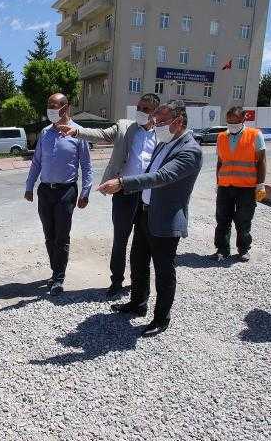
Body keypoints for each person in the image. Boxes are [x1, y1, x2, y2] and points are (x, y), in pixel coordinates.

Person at [96, 102, 203, 336]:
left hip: (165, 219)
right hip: (145, 212)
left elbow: (161, 176)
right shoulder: (164, 142)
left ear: (179, 120)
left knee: (164, 271)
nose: (156, 125)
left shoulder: (189, 150)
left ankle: (161, 318)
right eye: (156, 120)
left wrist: (123, 183)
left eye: (162, 121)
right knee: (138, 261)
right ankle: (137, 303)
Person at [60, 93, 161, 299]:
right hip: (123, 192)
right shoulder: (124, 126)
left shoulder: (161, 135)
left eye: (146, 109)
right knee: (120, 241)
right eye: (139, 107)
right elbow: (101, 134)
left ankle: (138, 282)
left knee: (143, 243)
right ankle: (116, 281)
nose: (140, 112)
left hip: (149, 196)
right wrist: (77, 132)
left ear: (155, 113)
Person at [25, 93, 93, 296]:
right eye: (49, 106)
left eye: (54, 106)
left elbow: (87, 166)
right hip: (45, 191)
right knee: (49, 235)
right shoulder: (45, 133)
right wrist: (29, 186)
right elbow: (36, 162)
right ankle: (55, 270)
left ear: (65, 108)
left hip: (66, 191)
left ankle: (58, 277)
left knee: (61, 237)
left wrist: (86, 192)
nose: (50, 110)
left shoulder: (77, 133)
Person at [213, 106, 267, 262]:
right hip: (225, 186)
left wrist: (260, 184)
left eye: (235, 121)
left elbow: (261, 161)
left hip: (247, 187)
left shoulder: (255, 135)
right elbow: (220, 161)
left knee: (243, 220)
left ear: (244, 119)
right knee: (222, 219)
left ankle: (243, 250)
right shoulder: (221, 137)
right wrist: (218, 182)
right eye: (229, 121)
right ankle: (222, 250)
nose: (232, 124)